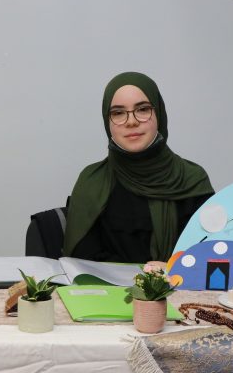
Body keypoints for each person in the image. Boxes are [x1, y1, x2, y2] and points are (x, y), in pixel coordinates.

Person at [63, 72, 214, 267]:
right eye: (118, 113)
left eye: (142, 109)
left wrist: (174, 269)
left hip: (181, 286)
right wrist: (144, 276)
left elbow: (212, 254)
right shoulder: (92, 183)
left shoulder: (192, 179)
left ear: (159, 114)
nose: (131, 121)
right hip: (107, 287)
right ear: (107, 123)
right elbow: (83, 263)